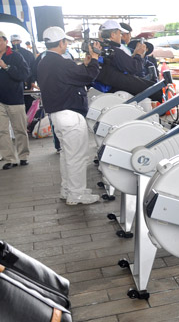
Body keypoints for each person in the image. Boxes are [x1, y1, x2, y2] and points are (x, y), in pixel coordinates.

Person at [37, 27, 102, 205]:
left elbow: (71, 76)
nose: (66, 44)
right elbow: (88, 76)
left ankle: (68, 189)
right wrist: (95, 59)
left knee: (67, 155)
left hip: (58, 114)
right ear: (61, 43)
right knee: (76, 157)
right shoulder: (60, 62)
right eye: (65, 41)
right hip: (70, 114)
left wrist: (86, 64)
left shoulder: (44, 62)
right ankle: (77, 194)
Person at [94, 20, 163, 102]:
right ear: (113, 35)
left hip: (105, 83)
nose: (121, 36)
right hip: (114, 86)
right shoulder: (114, 50)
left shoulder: (101, 49)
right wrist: (139, 54)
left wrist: (134, 55)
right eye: (120, 34)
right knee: (155, 89)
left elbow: (125, 64)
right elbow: (135, 68)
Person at [0, 30, 30, 170]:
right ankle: (8, 159)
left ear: (6, 42)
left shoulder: (15, 56)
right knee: (2, 131)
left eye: (0, 40)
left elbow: (24, 74)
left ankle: (23, 156)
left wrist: (6, 67)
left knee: (20, 129)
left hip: (15, 99)